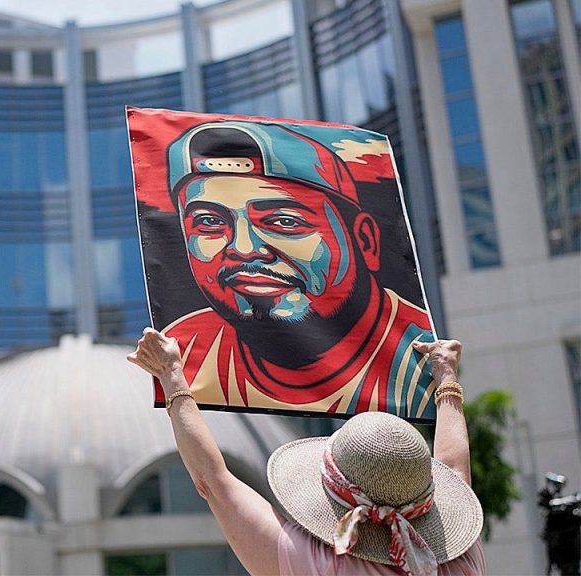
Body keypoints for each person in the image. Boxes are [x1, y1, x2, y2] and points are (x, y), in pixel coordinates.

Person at [128, 330, 485, 576]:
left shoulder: (314, 563)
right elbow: (455, 470)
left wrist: (171, 373)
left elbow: (214, 481)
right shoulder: (460, 559)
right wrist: (446, 376)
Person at [161, 121, 434, 418]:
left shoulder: (420, 360)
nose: (244, 248)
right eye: (209, 222)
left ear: (364, 240)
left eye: (284, 221)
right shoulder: (182, 353)